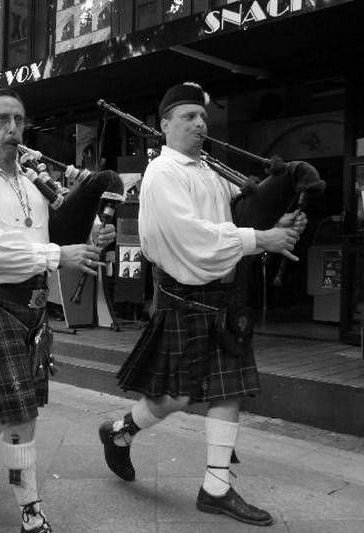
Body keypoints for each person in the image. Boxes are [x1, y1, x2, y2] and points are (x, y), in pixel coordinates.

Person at [98, 82, 309, 527]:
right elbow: (193, 237)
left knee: (226, 390)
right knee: (176, 397)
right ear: (165, 124)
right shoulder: (163, 175)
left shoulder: (209, 172)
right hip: (185, 296)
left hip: (221, 299)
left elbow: (234, 221)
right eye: (189, 116)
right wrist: (259, 239)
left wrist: (278, 222)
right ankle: (119, 431)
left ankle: (216, 487)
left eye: (203, 117)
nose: (199, 124)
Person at [0, 89, 117, 533]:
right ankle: (31, 513)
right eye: (1, 120)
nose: (13, 129)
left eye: (19, 119)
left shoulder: (34, 183)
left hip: (31, 304)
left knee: (9, 406)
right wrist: (58, 255)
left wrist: (95, 235)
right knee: (22, 412)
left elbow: (57, 229)